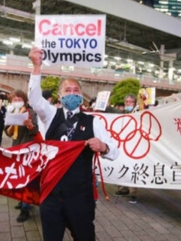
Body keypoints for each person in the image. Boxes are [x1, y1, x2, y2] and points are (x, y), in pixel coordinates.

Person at [28, 47, 119, 241]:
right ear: (60, 96)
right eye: (67, 91)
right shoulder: (51, 115)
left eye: (76, 90)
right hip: (52, 192)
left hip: (80, 195)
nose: (72, 93)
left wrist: (103, 147)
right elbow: (34, 99)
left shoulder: (93, 121)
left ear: (81, 96)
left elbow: (114, 150)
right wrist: (37, 67)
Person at [4, 89, 39, 223]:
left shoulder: (30, 112)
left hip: (27, 149)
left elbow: (35, 129)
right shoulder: (12, 112)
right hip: (16, 148)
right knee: (18, 177)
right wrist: (12, 124)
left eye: (19, 99)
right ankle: (21, 200)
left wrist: (30, 125)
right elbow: (7, 132)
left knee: (27, 179)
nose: (17, 102)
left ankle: (26, 207)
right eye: (14, 100)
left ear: (24, 100)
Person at [113, 94, 139, 203]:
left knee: (133, 168)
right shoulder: (121, 114)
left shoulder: (138, 114)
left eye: (131, 102)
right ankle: (122, 188)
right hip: (122, 144)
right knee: (121, 166)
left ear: (135, 103)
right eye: (127, 102)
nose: (128, 103)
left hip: (133, 145)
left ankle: (133, 192)